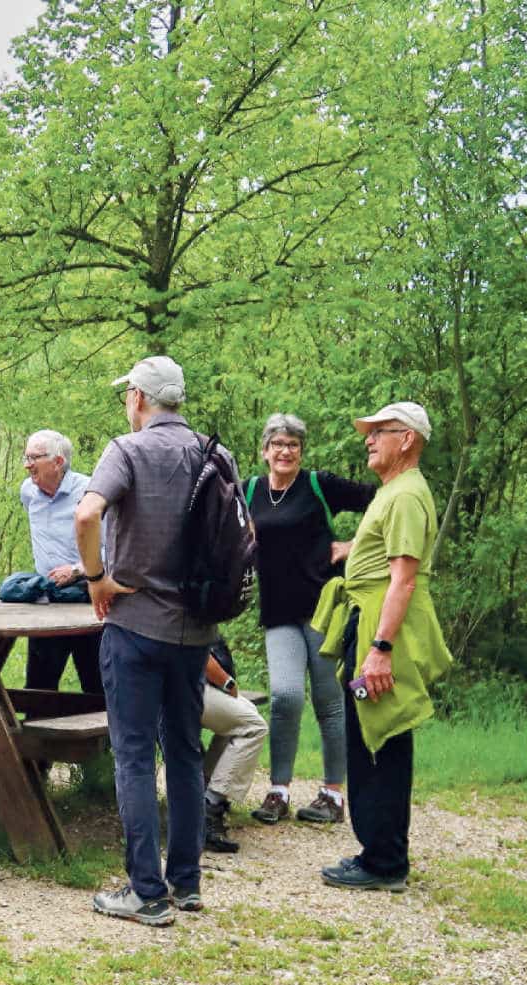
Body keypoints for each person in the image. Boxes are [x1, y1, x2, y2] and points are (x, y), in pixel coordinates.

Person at [74, 355, 232, 926]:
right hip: (195, 632)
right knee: (186, 753)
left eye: (128, 395)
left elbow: (87, 514)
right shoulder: (218, 455)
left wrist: (96, 578)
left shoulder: (127, 450)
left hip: (136, 624)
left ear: (139, 398)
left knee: (135, 756)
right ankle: (185, 884)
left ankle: (146, 890)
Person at [312, 403, 451, 891]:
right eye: (367, 431)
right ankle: (378, 850)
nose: (368, 439)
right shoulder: (395, 493)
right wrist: (350, 549)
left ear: (407, 439)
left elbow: (404, 579)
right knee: (368, 738)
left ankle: (385, 862)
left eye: (379, 432)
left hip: (380, 628)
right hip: (366, 620)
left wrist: (380, 649)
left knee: (381, 739)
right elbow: (389, 552)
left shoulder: (408, 495)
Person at [245, 413, 376, 827]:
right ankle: (278, 791)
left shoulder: (320, 485)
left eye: (293, 445)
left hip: (325, 609)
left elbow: (383, 501)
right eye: (278, 444)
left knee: (329, 701)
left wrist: (355, 545)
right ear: (264, 450)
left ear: (301, 451)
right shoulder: (248, 490)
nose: (285, 451)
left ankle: (333, 795)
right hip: (279, 611)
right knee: (285, 696)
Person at [16, 428, 103, 694]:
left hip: (88, 602)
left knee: (96, 686)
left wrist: (77, 570)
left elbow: (116, 550)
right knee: (38, 689)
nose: (27, 465)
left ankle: (103, 736)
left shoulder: (90, 494)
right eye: (26, 457)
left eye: (34, 458)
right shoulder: (28, 492)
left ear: (58, 462)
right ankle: (36, 735)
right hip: (47, 602)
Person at [199, 641, 269, 854]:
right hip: (182, 684)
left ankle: (202, 790)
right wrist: (227, 683)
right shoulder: (183, 607)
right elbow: (197, 650)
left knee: (244, 712)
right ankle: (209, 807)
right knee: (254, 727)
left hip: (175, 680)